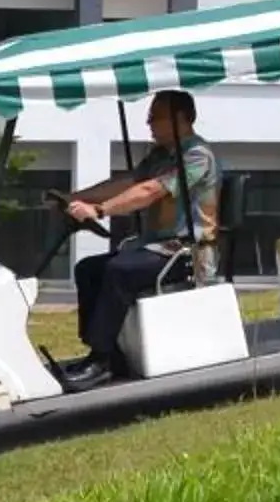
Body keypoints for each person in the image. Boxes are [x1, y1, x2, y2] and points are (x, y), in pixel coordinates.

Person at [50, 89, 220, 392]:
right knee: (88, 269)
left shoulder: (197, 156)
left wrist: (100, 210)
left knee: (120, 271)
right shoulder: (160, 155)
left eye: (155, 116)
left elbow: (149, 192)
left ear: (180, 119)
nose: (148, 122)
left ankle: (100, 363)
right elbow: (128, 183)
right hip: (156, 248)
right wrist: (76, 198)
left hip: (185, 254)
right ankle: (106, 354)